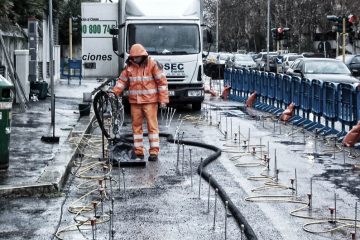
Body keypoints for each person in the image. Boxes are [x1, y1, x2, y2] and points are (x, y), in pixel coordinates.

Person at [111, 43, 169, 161]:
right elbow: (122, 82)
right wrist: (113, 93)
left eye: (137, 57)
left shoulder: (152, 64)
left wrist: (163, 100)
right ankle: (139, 152)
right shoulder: (129, 67)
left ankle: (154, 153)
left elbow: (162, 83)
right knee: (136, 127)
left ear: (143, 55)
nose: (135, 59)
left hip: (150, 101)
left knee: (152, 127)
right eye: (133, 57)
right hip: (135, 102)